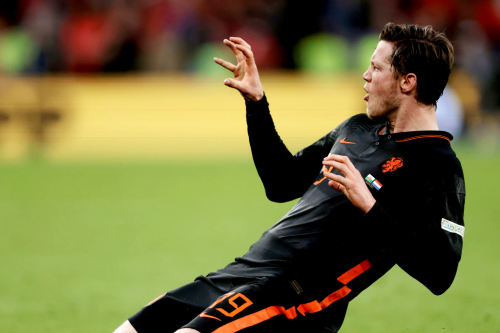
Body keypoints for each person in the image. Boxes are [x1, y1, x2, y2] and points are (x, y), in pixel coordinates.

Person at [114, 23, 465, 333]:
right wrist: (256, 103)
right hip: (243, 273)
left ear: (408, 82)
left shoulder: (436, 163)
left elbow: (440, 273)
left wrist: (371, 207)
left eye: (375, 67)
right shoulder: (357, 128)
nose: (365, 75)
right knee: (135, 327)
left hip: (293, 297)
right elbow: (281, 183)